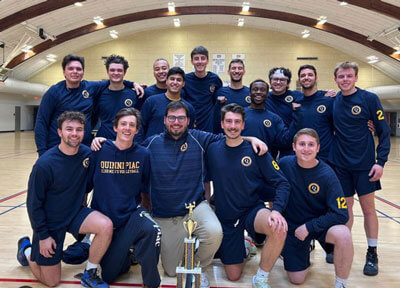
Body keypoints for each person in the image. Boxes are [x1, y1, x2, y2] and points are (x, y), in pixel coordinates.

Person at [17, 111, 113, 288]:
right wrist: (43, 236)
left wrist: (104, 142)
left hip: (75, 213)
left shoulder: (87, 155)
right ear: (59, 132)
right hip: (50, 223)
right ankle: (27, 249)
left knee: (105, 226)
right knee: (51, 282)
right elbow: (33, 204)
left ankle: (90, 273)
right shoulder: (44, 164)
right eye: (69, 129)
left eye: (79, 129)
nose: (74, 134)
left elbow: (93, 178)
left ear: (85, 132)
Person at [206, 103, 289, 288]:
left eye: (237, 122)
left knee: (278, 227)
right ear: (222, 124)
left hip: (252, 210)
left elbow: (282, 182)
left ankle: (261, 276)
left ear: (243, 125)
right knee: (233, 276)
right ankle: (245, 244)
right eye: (229, 121)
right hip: (227, 217)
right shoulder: (212, 148)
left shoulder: (257, 150)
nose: (233, 126)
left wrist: (276, 210)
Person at [329, 61, 391, 276]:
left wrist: (380, 162)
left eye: (348, 76)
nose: (345, 80)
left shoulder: (369, 99)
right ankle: (343, 247)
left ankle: (372, 252)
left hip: (365, 166)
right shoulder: (333, 99)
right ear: (335, 79)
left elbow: (384, 132)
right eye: (341, 76)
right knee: (345, 210)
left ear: (355, 78)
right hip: (341, 166)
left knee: (369, 210)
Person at [89, 108, 161, 287]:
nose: (127, 128)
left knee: (153, 229)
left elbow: (145, 188)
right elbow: (86, 185)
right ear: (115, 127)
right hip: (105, 223)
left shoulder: (143, 154)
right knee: (109, 275)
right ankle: (127, 254)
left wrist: (146, 211)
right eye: (123, 124)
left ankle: (151, 283)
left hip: (130, 216)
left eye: (132, 125)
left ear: (137, 130)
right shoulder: (99, 150)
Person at [279, 128, 353, 287]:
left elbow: (342, 214)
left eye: (311, 145)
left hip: (318, 226)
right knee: (297, 280)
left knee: (344, 234)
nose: (306, 149)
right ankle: (296, 251)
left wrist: (310, 227)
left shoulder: (327, 174)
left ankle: (341, 283)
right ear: (294, 146)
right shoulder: (284, 164)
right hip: (294, 228)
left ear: (318, 148)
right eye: (302, 144)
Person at [34, 54, 143, 157]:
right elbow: (41, 122)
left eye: (78, 69)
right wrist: (42, 152)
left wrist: (132, 84)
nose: (75, 72)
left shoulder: (90, 87)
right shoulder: (54, 91)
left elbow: (115, 80)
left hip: (84, 147)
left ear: (83, 72)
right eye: (71, 68)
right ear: (64, 72)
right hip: (57, 146)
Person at [242, 79, 296, 203]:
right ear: (249, 92)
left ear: (267, 93)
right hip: (242, 168)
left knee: (273, 199)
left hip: (265, 169)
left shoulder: (274, 118)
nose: (259, 92)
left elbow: (285, 140)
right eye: (255, 89)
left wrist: (296, 116)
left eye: (262, 90)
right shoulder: (240, 114)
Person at [136, 67, 195, 143]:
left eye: (179, 80)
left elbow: (189, 133)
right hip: (152, 150)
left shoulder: (189, 108)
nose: (175, 82)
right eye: (172, 79)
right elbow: (140, 126)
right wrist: (142, 147)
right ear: (166, 81)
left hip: (177, 151)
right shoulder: (151, 101)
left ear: (183, 84)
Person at [93, 54, 141, 140]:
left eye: (119, 70)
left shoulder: (134, 94)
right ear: (107, 71)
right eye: (112, 70)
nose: (116, 73)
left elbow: (139, 121)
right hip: (104, 141)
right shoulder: (99, 94)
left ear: (124, 72)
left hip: (127, 141)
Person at [183, 45, 223, 132]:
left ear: (207, 61)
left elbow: (217, 99)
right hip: (190, 122)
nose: (200, 61)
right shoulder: (185, 79)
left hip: (208, 123)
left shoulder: (214, 79)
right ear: (192, 61)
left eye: (203, 58)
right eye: (196, 58)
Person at [266, 67, 303, 158]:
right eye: (275, 79)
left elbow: (313, 97)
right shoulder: (264, 98)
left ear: (288, 83)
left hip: (290, 144)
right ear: (270, 81)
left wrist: (326, 93)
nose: (278, 82)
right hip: (270, 144)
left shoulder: (297, 96)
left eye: (282, 80)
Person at [213, 59, 250, 133]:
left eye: (240, 68)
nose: (236, 71)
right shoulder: (219, 92)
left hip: (245, 136)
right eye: (233, 68)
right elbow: (215, 116)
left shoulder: (250, 93)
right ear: (228, 72)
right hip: (224, 137)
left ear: (244, 72)